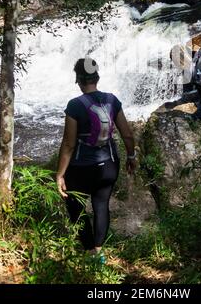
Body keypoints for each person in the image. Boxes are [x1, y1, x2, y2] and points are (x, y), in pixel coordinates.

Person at [56, 56, 136, 259]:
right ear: (96, 77)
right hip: (109, 165)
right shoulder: (112, 100)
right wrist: (131, 156)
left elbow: (69, 143)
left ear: (79, 79)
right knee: (101, 206)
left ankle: (89, 251)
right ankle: (98, 253)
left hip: (81, 168)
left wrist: (60, 174)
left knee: (76, 208)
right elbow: (127, 134)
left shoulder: (75, 105)